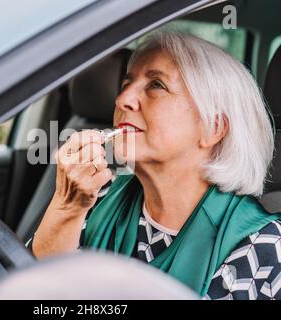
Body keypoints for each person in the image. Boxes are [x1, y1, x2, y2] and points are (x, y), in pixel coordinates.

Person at [30, 31, 281, 300]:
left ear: (213, 128)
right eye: (127, 83)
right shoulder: (96, 196)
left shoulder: (262, 247)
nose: (122, 99)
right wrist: (67, 207)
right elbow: (30, 291)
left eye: (156, 85)